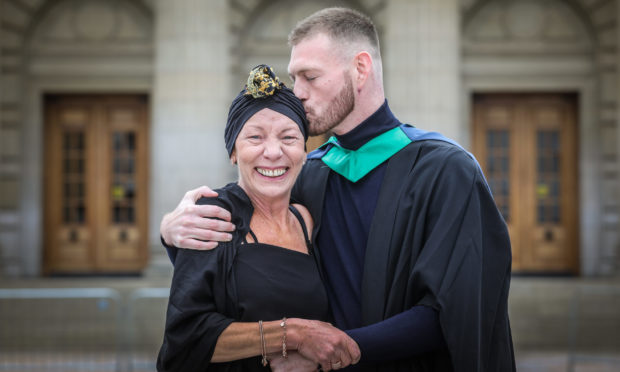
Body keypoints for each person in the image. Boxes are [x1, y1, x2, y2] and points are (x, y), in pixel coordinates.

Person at [161, 7, 516, 372]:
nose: (296, 93)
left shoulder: (444, 171)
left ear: (360, 68)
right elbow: (246, 271)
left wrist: (331, 349)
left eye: (309, 77)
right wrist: (174, 233)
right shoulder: (310, 173)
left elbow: (458, 307)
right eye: (294, 78)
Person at [156, 64, 360, 372]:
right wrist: (294, 335)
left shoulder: (307, 219)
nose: (274, 152)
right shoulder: (213, 216)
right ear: (233, 152)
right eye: (255, 137)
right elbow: (186, 339)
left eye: (289, 138)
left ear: (304, 153)